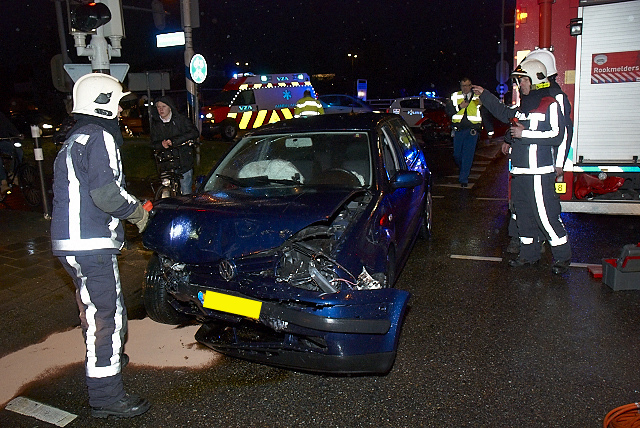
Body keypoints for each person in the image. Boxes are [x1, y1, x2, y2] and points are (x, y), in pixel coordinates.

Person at [51, 72, 151, 418]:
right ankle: (106, 397)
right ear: (105, 104)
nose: (122, 113)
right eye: (119, 105)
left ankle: (108, 357)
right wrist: (138, 213)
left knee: (97, 308)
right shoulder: (99, 136)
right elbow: (107, 194)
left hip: (71, 243)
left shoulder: (74, 138)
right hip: (92, 242)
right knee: (104, 316)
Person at [472, 59, 572, 275]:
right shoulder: (522, 107)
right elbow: (502, 112)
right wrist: (485, 95)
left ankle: (562, 258)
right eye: (518, 81)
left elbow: (557, 135)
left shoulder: (550, 104)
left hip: (539, 173)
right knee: (523, 216)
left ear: (535, 79)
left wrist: (524, 134)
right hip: (519, 172)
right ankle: (529, 255)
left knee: (546, 216)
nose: (519, 85)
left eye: (523, 80)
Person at [505, 49, 574, 255]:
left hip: (542, 163)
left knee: (544, 210)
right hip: (524, 165)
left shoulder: (555, 98)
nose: (521, 84)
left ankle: (553, 250)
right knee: (522, 208)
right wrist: (509, 139)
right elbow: (519, 119)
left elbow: (563, 133)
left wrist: (559, 163)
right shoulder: (534, 96)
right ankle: (527, 247)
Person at [150, 96, 200, 195]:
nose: (161, 109)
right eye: (158, 107)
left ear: (170, 107)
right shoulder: (156, 124)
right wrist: (161, 144)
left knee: (186, 191)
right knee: (166, 191)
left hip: (183, 161)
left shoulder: (181, 120)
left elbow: (194, 132)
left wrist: (174, 141)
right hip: (166, 163)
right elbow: (152, 143)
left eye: (163, 106)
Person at [446, 78, 483, 187]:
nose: (465, 88)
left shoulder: (477, 96)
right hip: (458, 130)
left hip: (472, 131)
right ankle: (463, 168)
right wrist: (459, 107)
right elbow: (448, 112)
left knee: (468, 155)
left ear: (471, 86)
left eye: (467, 85)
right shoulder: (455, 96)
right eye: (463, 85)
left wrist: (489, 129)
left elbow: (484, 112)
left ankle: (463, 178)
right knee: (457, 154)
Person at [0, 111, 23, 195]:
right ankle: (3, 181)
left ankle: (13, 174)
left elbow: (8, 125)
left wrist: (17, 134)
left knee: (18, 151)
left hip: (3, 141)